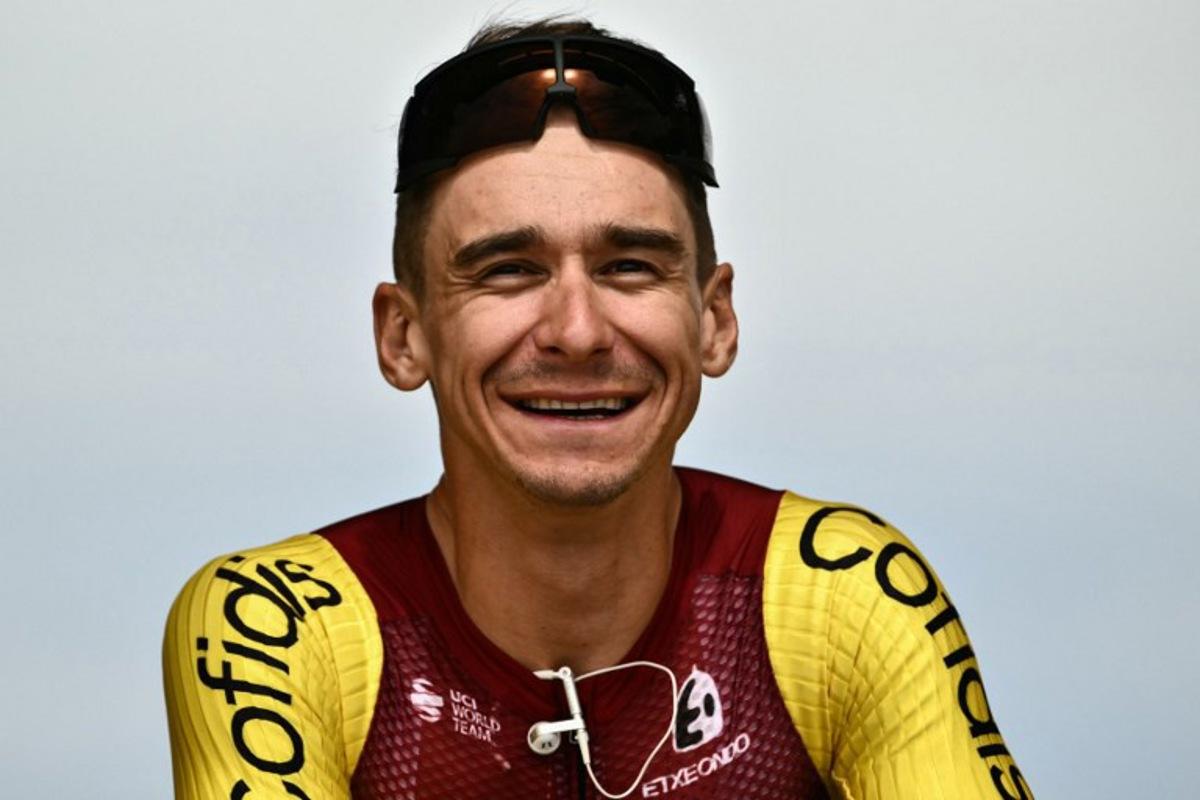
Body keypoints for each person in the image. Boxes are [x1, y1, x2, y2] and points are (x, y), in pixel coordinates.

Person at [163, 17, 1032, 800]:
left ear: (714, 321)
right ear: (403, 336)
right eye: (507, 270)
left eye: (630, 267)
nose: (577, 332)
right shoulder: (273, 626)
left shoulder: (841, 591)